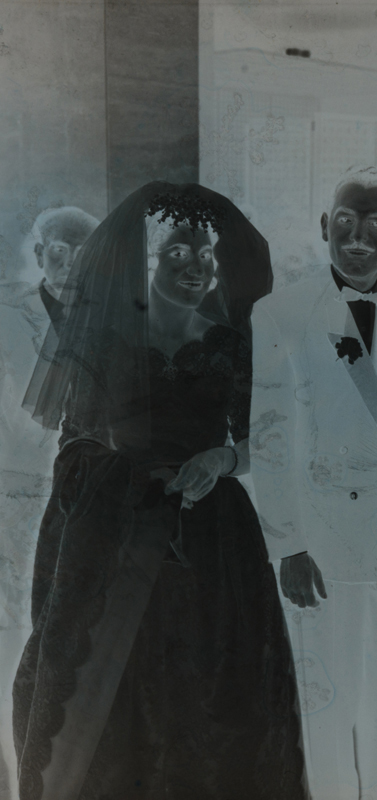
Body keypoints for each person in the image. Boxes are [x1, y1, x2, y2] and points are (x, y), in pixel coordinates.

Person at [12, 183, 307, 800]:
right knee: (117, 698)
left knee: (218, 698)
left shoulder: (230, 344)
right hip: (119, 541)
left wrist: (223, 457)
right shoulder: (104, 340)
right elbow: (75, 442)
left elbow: (261, 442)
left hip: (215, 543)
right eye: (177, 253)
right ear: (147, 258)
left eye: (205, 256)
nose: (196, 268)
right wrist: (132, 478)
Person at [249, 165, 377, 800]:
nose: (359, 237)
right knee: (324, 700)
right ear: (325, 226)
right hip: (320, 545)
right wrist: (288, 545)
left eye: (376, 224)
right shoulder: (280, 312)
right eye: (346, 221)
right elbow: (269, 438)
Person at [0, 206, 99, 790]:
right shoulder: (6, 314)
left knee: (60, 637)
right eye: (58, 250)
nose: (69, 263)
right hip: (13, 494)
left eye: (82, 253)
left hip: (79, 503)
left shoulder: (110, 317)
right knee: (12, 633)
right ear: (39, 254)